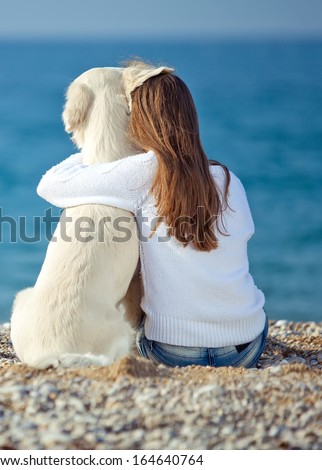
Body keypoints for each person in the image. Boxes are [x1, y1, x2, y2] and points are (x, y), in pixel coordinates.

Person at [37, 64, 267, 368]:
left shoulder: (140, 174)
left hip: (172, 352)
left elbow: (51, 185)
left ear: (140, 123)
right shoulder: (227, 180)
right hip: (246, 348)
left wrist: (92, 151)